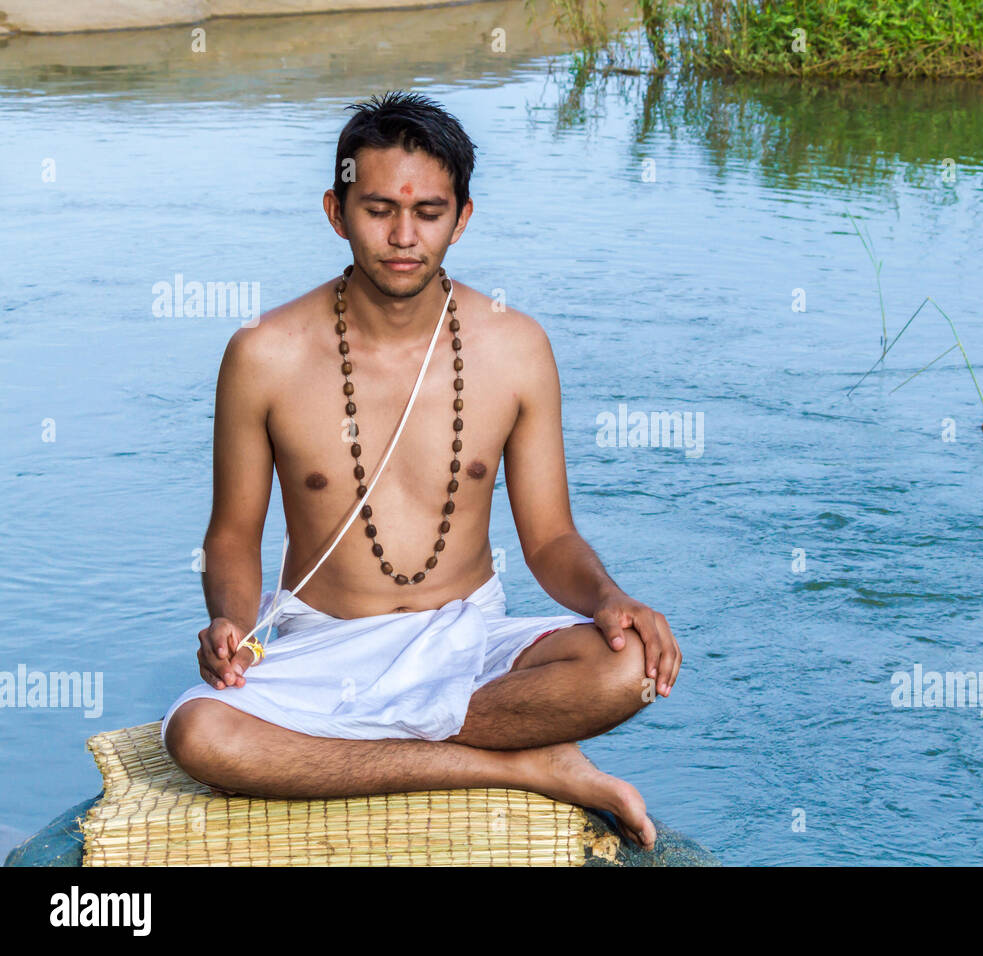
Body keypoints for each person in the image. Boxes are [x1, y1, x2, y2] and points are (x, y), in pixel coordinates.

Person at [160, 91, 680, 849]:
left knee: (627, 665)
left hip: (466, 641)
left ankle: (387, 746)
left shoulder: (516, 347)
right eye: (377, 210)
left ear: (462, 218)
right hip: (320, 643)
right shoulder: (263, 353)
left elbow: (550, 538)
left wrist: (610, 597)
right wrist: (232, 624)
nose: (404, 237)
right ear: (336, 212)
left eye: (429, 213)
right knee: (202, 736)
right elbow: (234, 535)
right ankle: (527, 767)